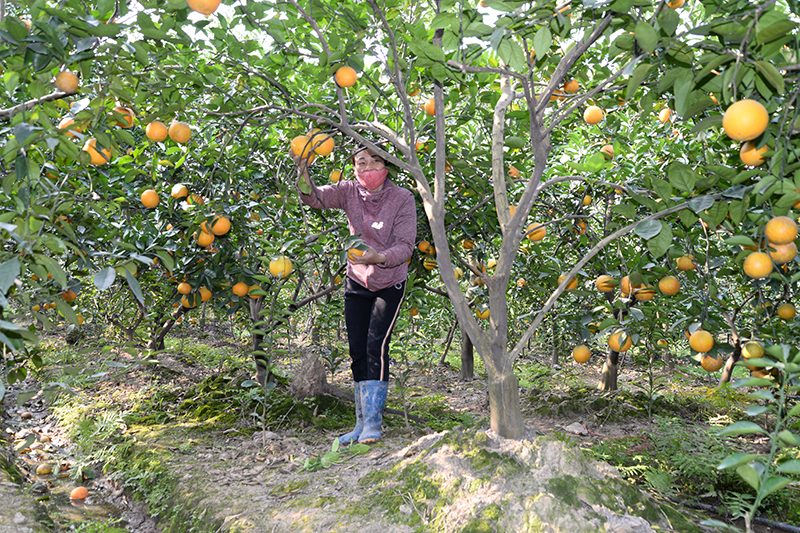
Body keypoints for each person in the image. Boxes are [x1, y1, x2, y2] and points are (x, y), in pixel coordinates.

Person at [292, 143, 417, 444]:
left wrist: (379, 257)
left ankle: (374, 423)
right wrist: (303, 170)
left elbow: (405, 245)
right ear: (354, 166)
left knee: (377, 345)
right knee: (358, 349)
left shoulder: (402, 198)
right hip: (357, 279)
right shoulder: (349, 191)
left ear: (386, 166)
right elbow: (314, 197)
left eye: (374, 161)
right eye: (361, 162)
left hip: (389, 280)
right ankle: (360, 424)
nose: (368, 168)